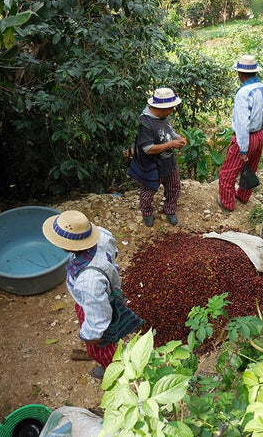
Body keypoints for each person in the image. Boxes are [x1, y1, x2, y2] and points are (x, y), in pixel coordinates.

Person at [42, 210, 142, 380]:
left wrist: (91, 337)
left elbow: (99, 318)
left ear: (68, 246)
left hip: (99, 304)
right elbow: (113, 252)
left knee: (102, 345)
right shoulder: (101, 235)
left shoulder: (88, 282)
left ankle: (113, 369)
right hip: (100, 293)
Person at [218, 55, 263, 211]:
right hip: (259, 134)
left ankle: (227, 203)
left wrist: (243, 149)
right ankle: (243, 196)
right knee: (250, 168)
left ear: (240, 74)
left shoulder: (243, 93)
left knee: (228, 172)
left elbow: (242, 123)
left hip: (246, 137)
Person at [128, 87, 187, 227]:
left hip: (168, 162)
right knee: (148, 190)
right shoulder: (145, 123)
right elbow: (148, 149)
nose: (172, 110)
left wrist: (178, 138)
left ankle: (170, 209)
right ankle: (147, 212)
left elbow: (170, 131)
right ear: (160, 108)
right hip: (151, 165)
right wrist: (171, 144)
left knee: (174, 186)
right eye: (170, 108)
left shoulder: (164, 118)